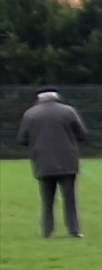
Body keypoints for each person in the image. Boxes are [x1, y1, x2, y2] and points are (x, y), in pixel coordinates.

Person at [17, 87, 88, 239]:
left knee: (47, 200)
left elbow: (22, 139)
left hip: (42, 162)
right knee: (70, 199)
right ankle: (74, 230)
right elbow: (82, 134)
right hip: (67, 162)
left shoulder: (30, 114)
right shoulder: (68, 111)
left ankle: (47, 231)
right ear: (56, 97)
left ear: (39, 98)